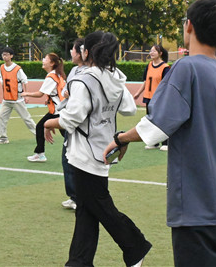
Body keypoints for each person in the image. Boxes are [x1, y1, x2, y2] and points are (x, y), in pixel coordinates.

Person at [103, 0, 216, 267]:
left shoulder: (186, 68)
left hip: (198, 209)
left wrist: (121, 138)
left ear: (189, 26)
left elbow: (156, 125)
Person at [45, 31, 151, 267]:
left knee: (100, 207)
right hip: (104, 148)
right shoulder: (113, 76)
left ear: (86, 51)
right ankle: (78, 262)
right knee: (86, 211)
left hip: (84, 153)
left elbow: (71, 118)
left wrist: (47, 123)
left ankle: (136, 247)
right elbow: (129, 109)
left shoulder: (84, 79)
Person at [56, 38, 85, 210]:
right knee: (67, 158)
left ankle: (81, 197)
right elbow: (67, 92)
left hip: (81, 122)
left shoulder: (91, 72)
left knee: (80, 160)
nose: (71, 54)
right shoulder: (74, 70)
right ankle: (74, 196)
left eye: (73, 50)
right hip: (69, 117)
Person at [22, 53, 66, 163]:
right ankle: (40, 153)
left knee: (41, 127)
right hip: (61, 109)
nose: (43, 61)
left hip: (58, 110)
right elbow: (57, 92)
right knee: (66, 133)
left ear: (52, 63)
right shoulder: (58, 75)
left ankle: (40, 154)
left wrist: (26, 94)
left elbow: (40, 94)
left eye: (45, 59)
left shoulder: (51, 77)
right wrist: (49, 98)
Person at [0, 47, 36, 144]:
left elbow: (25, 81)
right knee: (1, 118)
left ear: (11, 56)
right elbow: (2, 82)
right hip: (6, 99)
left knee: (27, 119)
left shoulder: (17, 69)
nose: (5, 56)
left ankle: (39, 135)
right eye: (3, 54)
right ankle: (3, 138)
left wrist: (26, 95)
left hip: (17, 99)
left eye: (7, 54)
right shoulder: (1, 68)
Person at [132, 44, 170, 151]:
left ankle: (166, 143)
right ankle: (154, 142)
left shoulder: (165, 68)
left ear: (160, 53)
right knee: (150, 121)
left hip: (159, 99)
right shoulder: (149, 65)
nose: (151, 53)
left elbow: (166, 84)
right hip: (149, 97)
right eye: (151, 51)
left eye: (154, 51)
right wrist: (138, 93)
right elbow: (145, 81)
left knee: (161, 120)